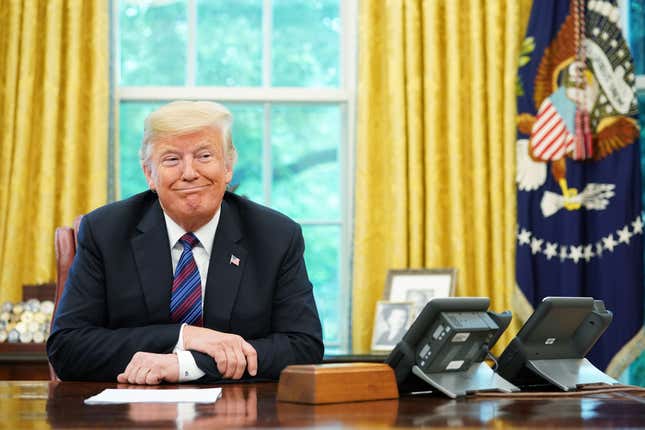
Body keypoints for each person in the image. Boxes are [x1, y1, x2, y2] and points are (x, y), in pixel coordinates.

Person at [47, 101, 324, 384]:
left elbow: (303, 347)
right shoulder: (106, 232)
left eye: (204, 156)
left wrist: (187, 363)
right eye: (171, 159)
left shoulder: (275, 236)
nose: (189, 172)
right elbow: (67, 347)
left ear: (228, 167)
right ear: (149, 174)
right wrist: (185, 335)